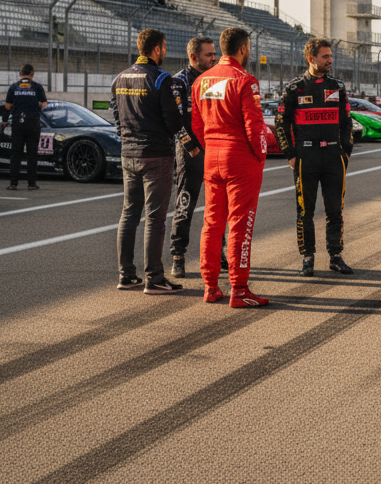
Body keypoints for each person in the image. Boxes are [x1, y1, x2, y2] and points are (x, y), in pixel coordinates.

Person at [191, 27, 271, 307]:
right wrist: (261, 155)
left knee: (212, 224)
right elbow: (255, 126)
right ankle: (239, 289)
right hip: (240, 159)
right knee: (240, 224)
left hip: (211, 156)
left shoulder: (201, 80)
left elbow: (197, 126)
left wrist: (211, 147)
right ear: (244, 48)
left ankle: (210, 287)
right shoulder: (245, 80)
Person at [111, 28, 183, 294]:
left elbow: (117, 120)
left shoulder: (119, 78)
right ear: (158, 49)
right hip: (156, 155)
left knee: (129, 214)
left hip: (128, 153)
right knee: (155, 218)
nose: (165, 52)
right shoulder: (161, 78)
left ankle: (126, 275)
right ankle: (154, 278)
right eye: (164, 48)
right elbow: (174, 122)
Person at [276, 37, 355, 277]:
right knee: (305, 211)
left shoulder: (338, 86)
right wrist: (290, 153)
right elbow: (281, 123)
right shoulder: (293, 88)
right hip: (306, 156)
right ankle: (307, 257)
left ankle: (336, 256)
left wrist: (345, 152)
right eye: (325, 56)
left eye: (331, 56)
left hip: (333, 156)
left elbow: (347, 123)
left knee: (335, 210)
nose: (330, 60)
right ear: (311, 59)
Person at [168, 35, 219, 278]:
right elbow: (177, 122)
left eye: (214, 53)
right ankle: (178, 255)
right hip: (191, 152)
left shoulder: (217, 78)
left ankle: (218, 251)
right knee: (185, 203)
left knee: (218, 205)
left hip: (216, 150)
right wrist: (192, 148)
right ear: (193, 57)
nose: (214, 58)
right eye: (209, 54)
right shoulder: (179, 82)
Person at [4, 64, 48, 190]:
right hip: (33, 122)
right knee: (32, 154)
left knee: (16, 154)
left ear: (20, 73)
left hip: (18, 122)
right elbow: (44, 103)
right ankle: (31, 184)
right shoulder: (37, 87)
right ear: (32, 73)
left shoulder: (13, 87)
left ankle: (13, 184)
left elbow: (7, 106)